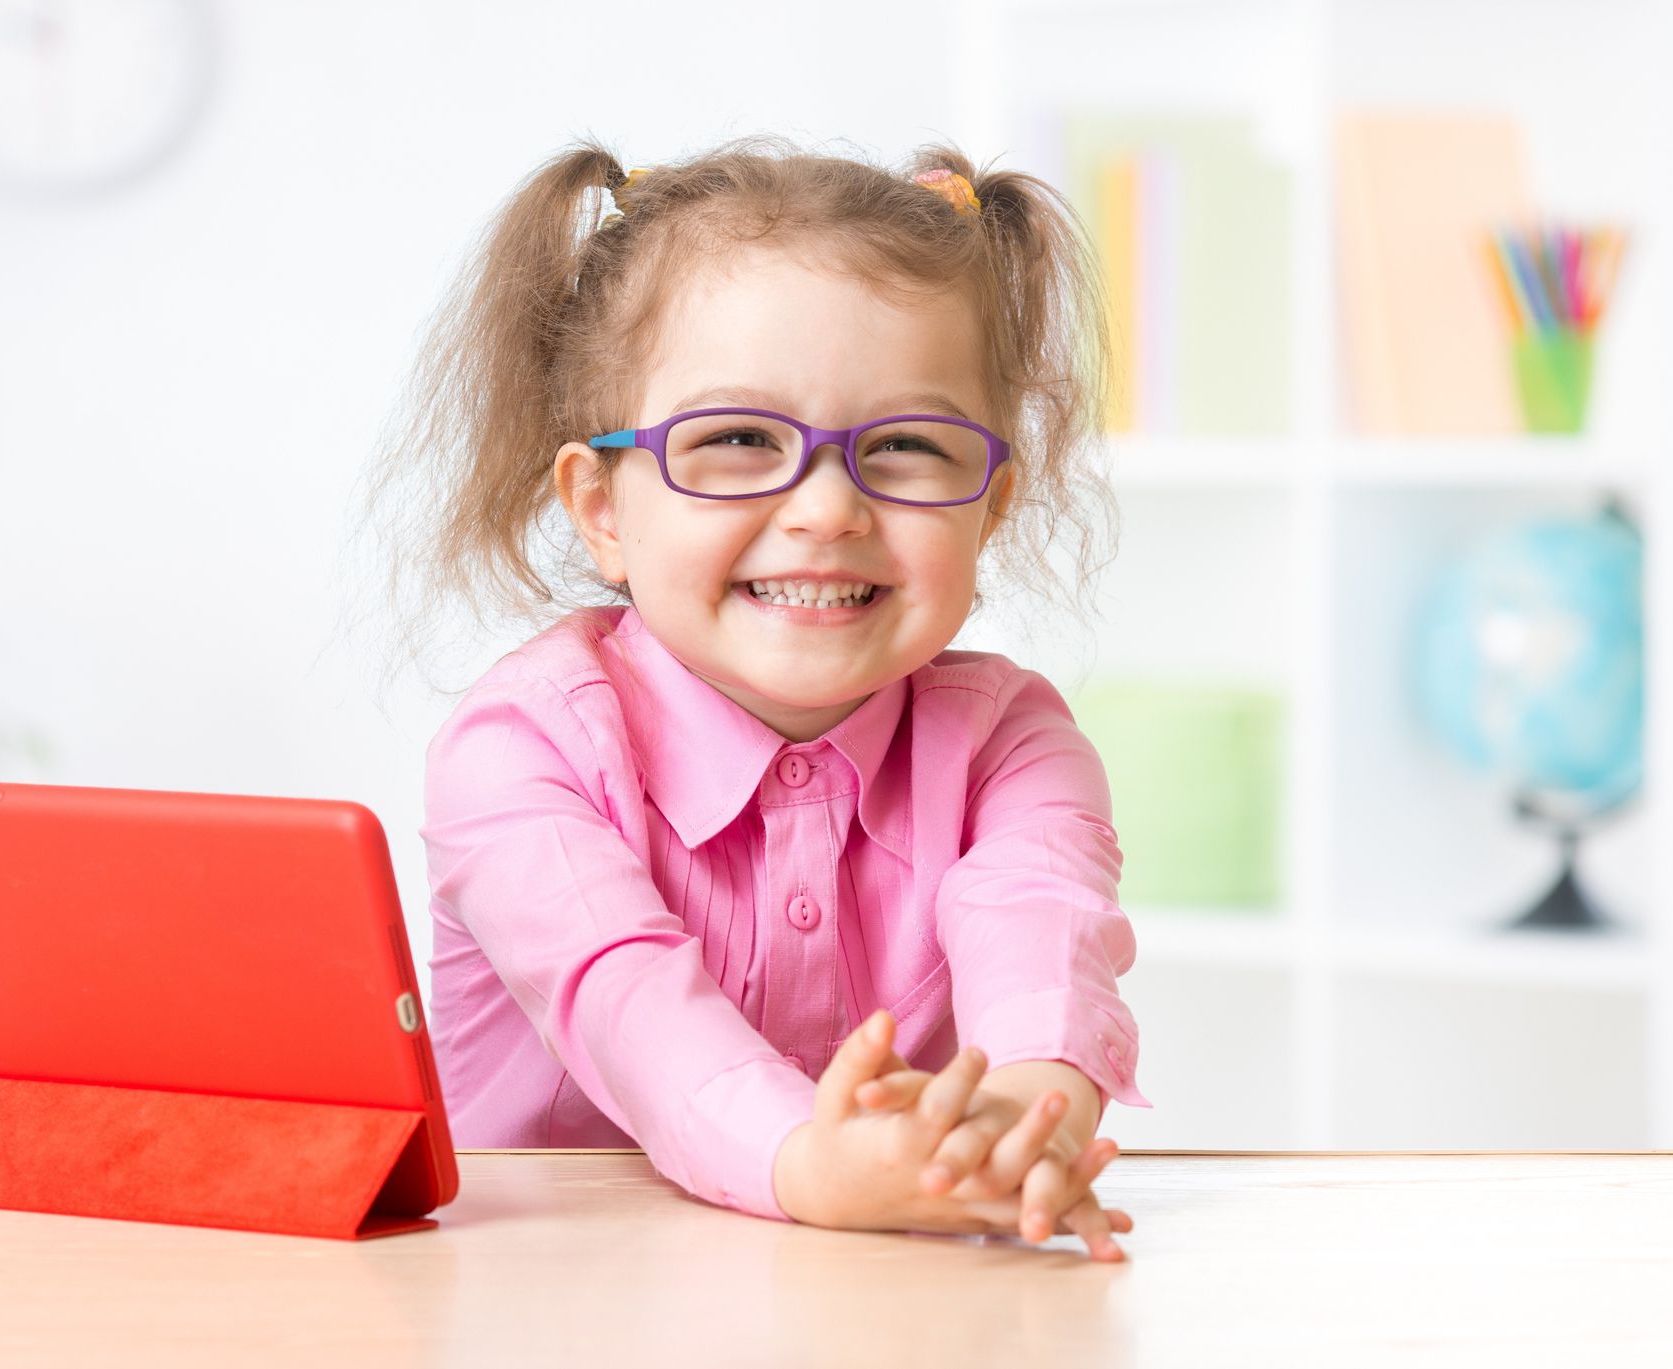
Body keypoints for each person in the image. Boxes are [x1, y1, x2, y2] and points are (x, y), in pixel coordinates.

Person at [369, 134, 1150, 1257]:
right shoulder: (523, 745)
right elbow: (628, 1002)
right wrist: (808, 1164)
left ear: (993, 506)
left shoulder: (1012, 744)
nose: (827, 509)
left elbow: (1042, 929)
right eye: (736, 438)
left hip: (883, 1295)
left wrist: (1021, 1122)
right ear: (600, 508)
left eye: (911, 446)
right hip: (547, 1296)